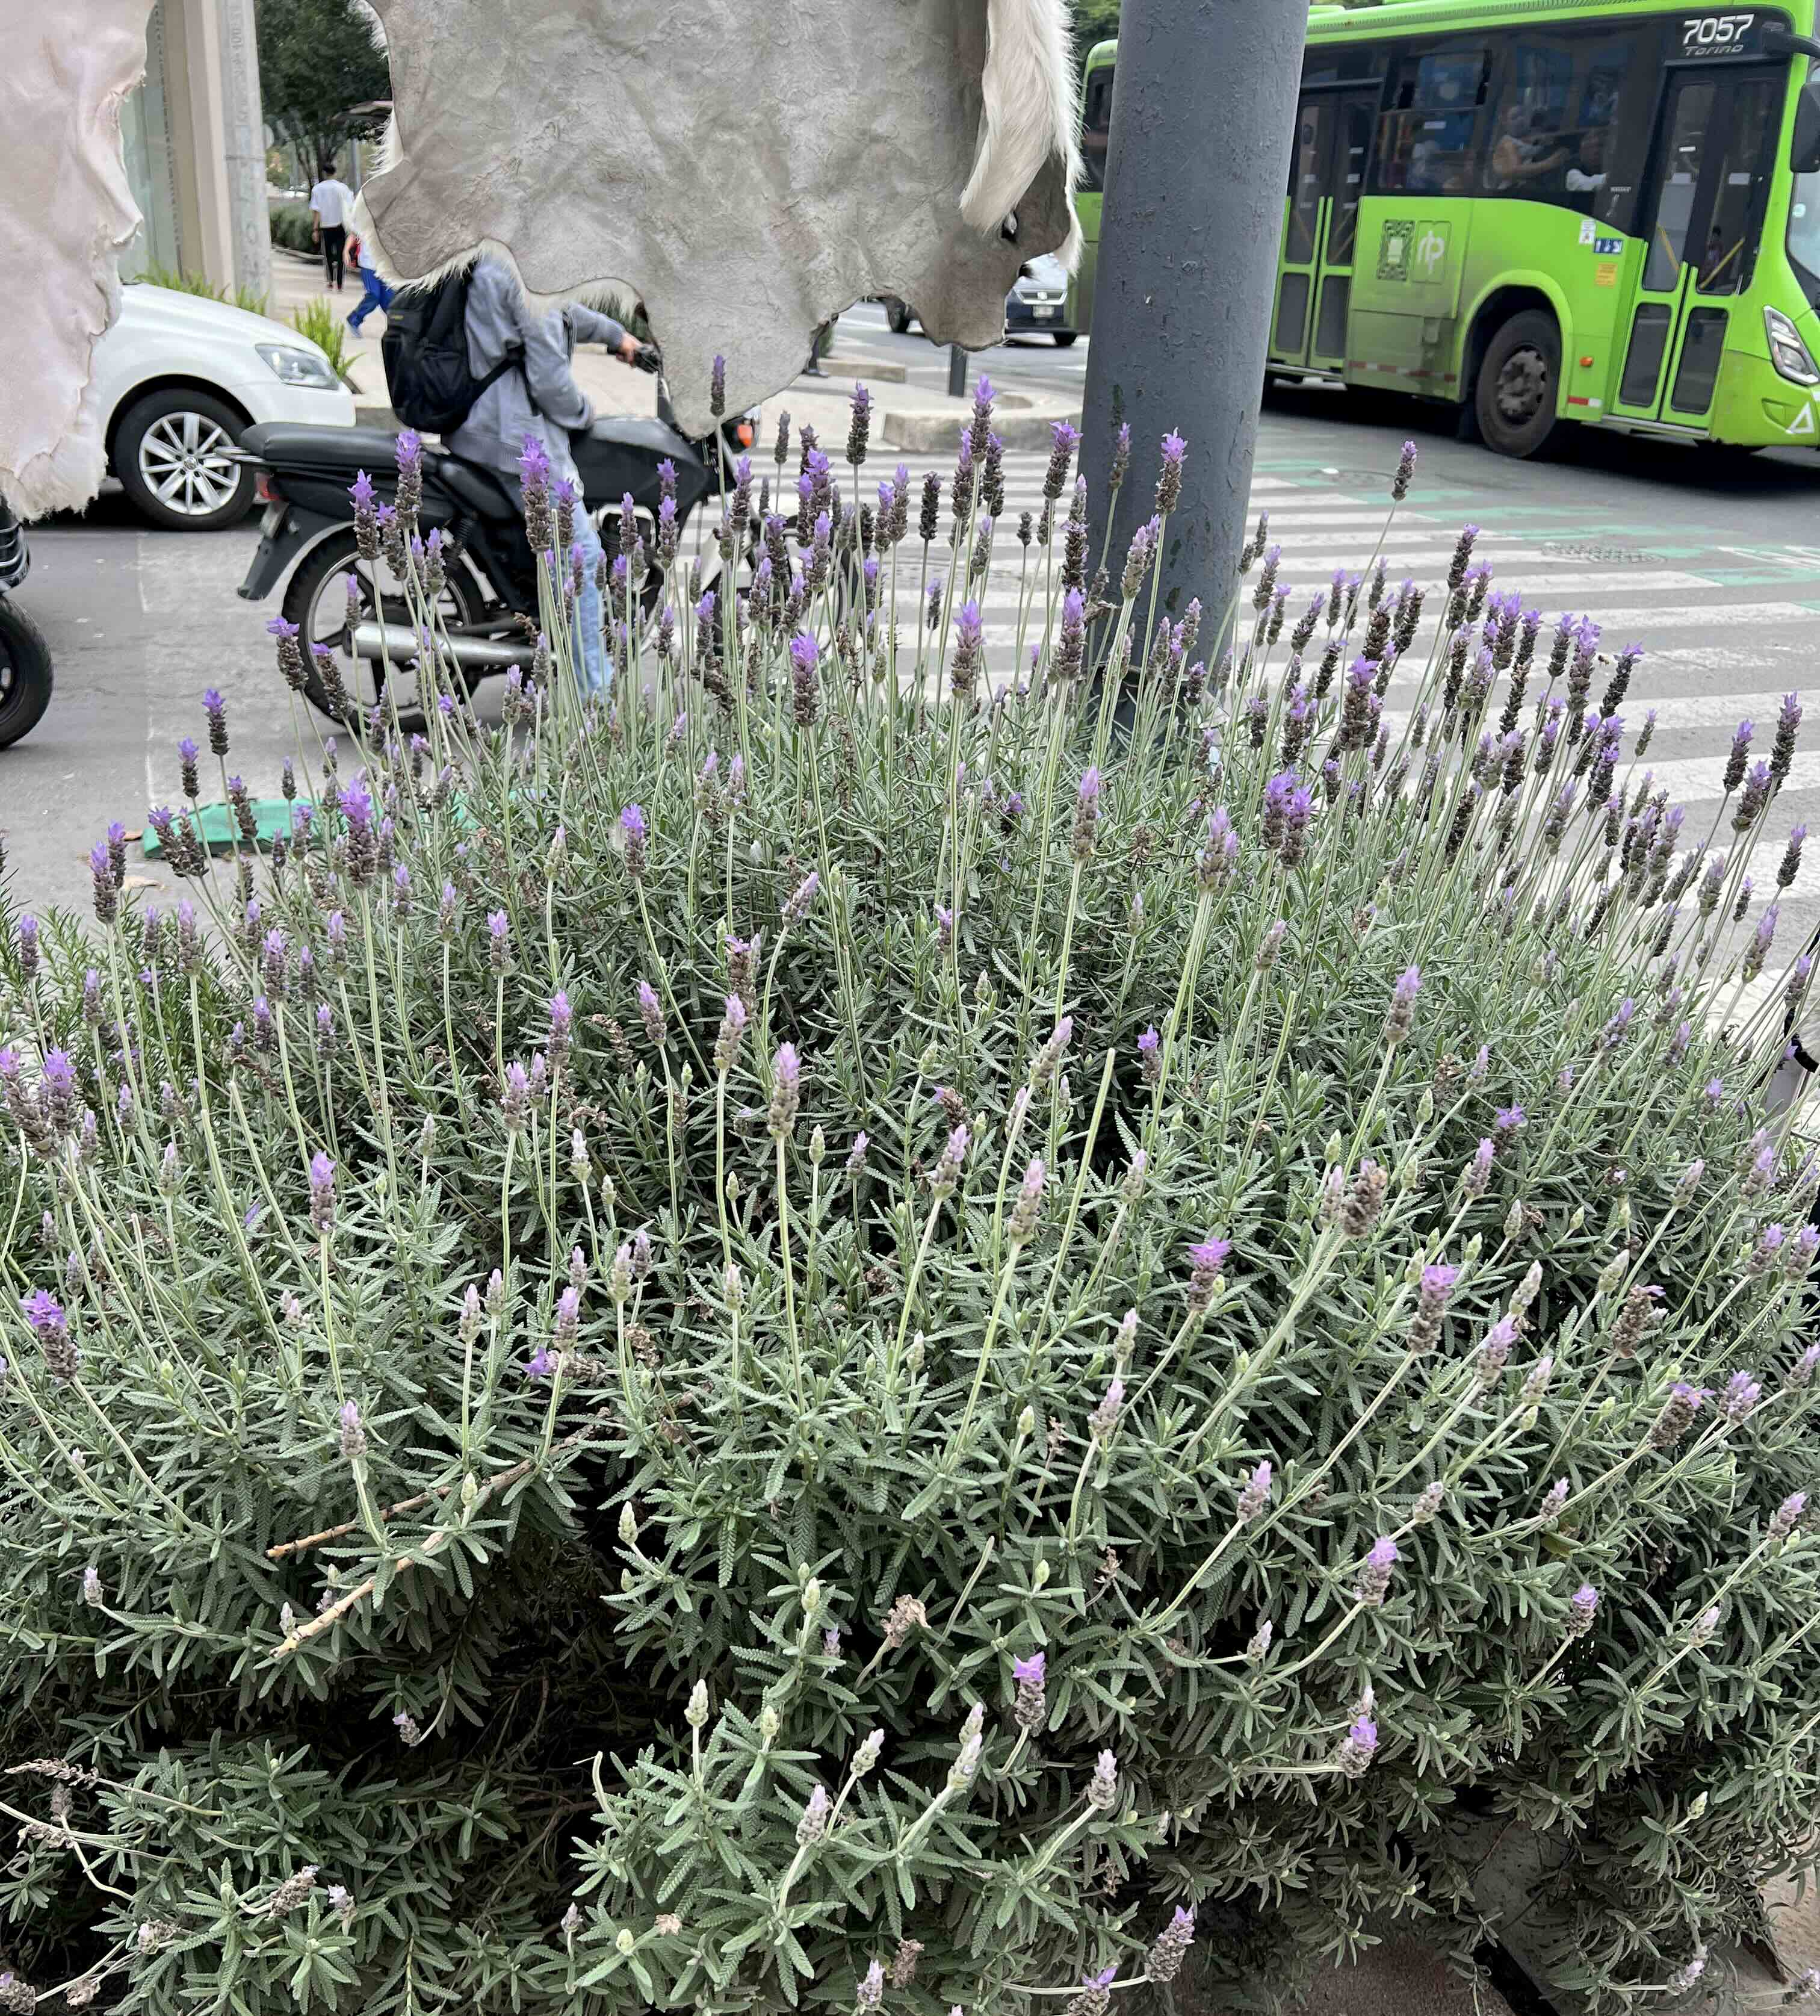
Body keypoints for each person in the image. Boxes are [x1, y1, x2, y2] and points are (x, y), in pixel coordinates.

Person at [447, 257, 640, 698]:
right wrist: (584, 412)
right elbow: (551, 380)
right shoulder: (526, 266)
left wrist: (615, 335)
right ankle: (594, 700)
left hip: (484, 427)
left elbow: (561, 312)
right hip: (514, 438)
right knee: (582, 558)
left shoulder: (503, 255)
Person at [1488, 106, 1568, 191]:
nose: (1520, 120)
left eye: (1522, 115)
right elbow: (1517, 171)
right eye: (1514, 118)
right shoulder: (1508, 143)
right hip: (1512, 189)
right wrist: (1549, 163)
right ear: (1506, 124)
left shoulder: (1529, 137)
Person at [309, 160, 356, 291]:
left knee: (328, 255)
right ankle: (340, 284)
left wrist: (315, 230)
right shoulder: (343, 188)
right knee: (342, 254)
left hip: (326, 227)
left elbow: (316, 211)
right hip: (340, 226)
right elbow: (350, 208)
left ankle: (330, 281)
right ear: (335, 173)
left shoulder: (317, 189)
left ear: (324, 173)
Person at [345, 234, 394, 333]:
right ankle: (354, 319)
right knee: (374, 295)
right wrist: (346, 251)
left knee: (389, 300)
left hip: (385, 266)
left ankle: (396, 326)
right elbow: (353, 234)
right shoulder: (364, 219)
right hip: (368, 265)